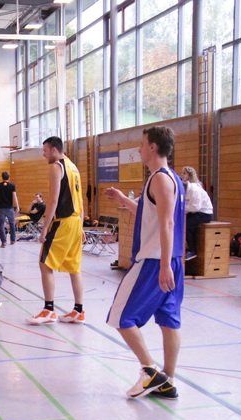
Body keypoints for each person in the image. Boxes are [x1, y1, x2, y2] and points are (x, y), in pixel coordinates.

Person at [105, 126, 186, 400]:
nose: (139, 149)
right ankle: (168, 381)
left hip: (154, 261)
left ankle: (150, 370)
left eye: (142, 144)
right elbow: (149, 212)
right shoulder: (171, 178)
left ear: (152, 147)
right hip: (171, 259)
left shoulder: (160, 179)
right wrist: (122, 199)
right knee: (169, 321)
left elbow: (167, 223)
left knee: (120, 317)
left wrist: (163, 265)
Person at [27, 136, 86, 326]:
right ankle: (79, 311)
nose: (43, 155)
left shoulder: (56, 167)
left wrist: (44, 228)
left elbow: (52, 201)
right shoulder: (73, 167)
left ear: (54, 149)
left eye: (45, 151)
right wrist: (81, 226)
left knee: (45, 263)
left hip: (63, 222)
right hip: (76, 221)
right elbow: (80, 199)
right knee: (74, 268)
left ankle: (49, 310)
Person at [181, 166, 213, 261]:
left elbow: (196, 207)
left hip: (205, 213)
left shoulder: (195, 188)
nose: (182, 175)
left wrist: (183, 210)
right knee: (183, 222)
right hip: (197, 212)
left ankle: (192, 250)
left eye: (184, 173)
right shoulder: (189, 187)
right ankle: (187, 247)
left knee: (187, 225)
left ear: (189, 175)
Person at [0, 171, 19, 247]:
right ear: (9, 177)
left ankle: (3, 242)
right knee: (12, 224)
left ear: (2, 177)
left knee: (1, 225)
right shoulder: (12, 185)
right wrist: (17, 206)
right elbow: (14, 197)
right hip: (9, 208)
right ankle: (12, 240)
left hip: (1, 208)